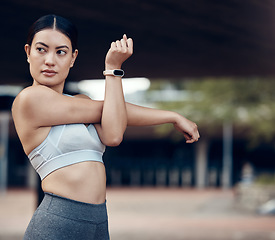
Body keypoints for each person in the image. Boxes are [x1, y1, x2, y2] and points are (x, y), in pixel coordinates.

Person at [12, 14, 200, 240]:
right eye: (41, 49)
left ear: (73, 58)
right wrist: (112, 68)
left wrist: (172, 115)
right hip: (60, 220)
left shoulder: (81, 100)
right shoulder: (29, 100)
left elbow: (113, 133)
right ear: (28, 53)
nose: (50, 60)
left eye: (60, 52)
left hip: (99, 220)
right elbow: (109, 110)